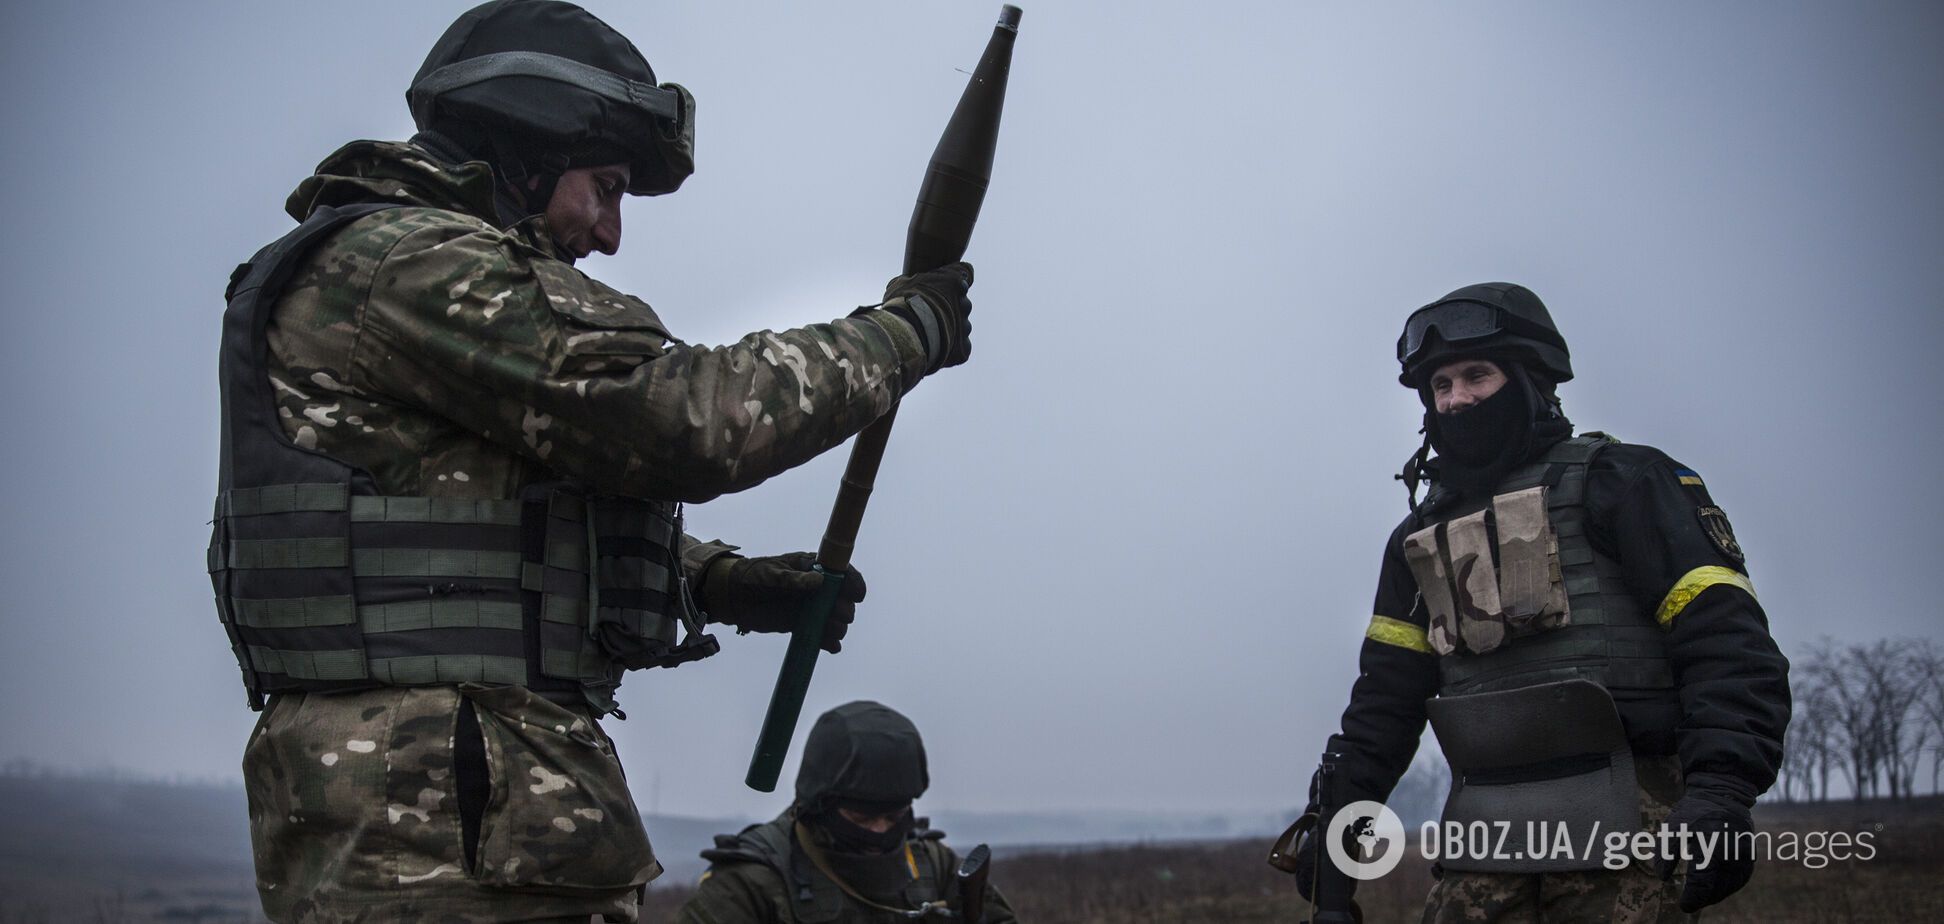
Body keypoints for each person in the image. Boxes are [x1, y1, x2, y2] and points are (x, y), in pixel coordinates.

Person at [206, 2, 976, 920]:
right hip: (436, 827)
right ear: (528, 149)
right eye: (604, 187)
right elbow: (679, 422)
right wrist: (901, 336)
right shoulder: (408, 264)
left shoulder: (406, 277)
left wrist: (717, 583)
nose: (610, 232)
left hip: (464, 809)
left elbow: (485, 534)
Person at [1294, 283, 1790, 922]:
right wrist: (1340, 829)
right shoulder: (1416, 541)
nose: (1458, 398)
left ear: (1530, 380)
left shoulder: (1623, 483)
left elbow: (1726, 643)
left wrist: (1723, 787)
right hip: (1482, 842)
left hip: (1628, 827)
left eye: (1478, 374)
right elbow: (1383, 705)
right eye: (1440, 386)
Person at [679, 701, 1017, 923]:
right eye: (861, 820)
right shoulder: (750, 882)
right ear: (818, 805)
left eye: (894, 817)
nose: (879, 832)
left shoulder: (934, 866)